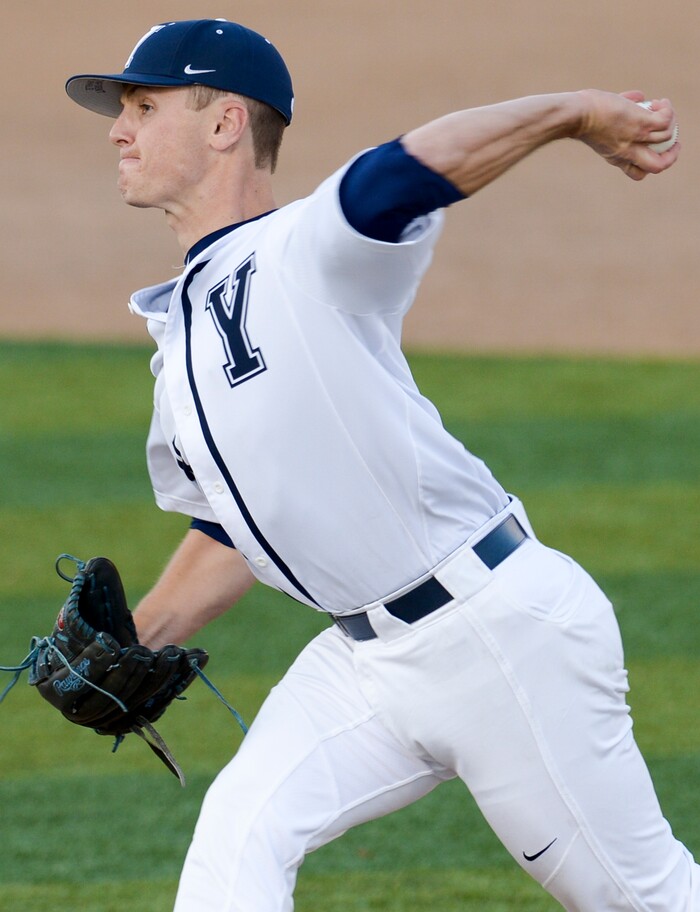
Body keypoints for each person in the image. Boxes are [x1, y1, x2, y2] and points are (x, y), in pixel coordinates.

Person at [65, 17, 690, 912]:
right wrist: (135, 640)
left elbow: (405, 169)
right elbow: (236, 529)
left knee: (643, 898)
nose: (118, 132)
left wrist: (576, 113)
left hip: (495, 637)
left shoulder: (305, 252)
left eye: (143, 107)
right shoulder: (184, 333)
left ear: (226, 123)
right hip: (365, 665)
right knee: (239, 833)